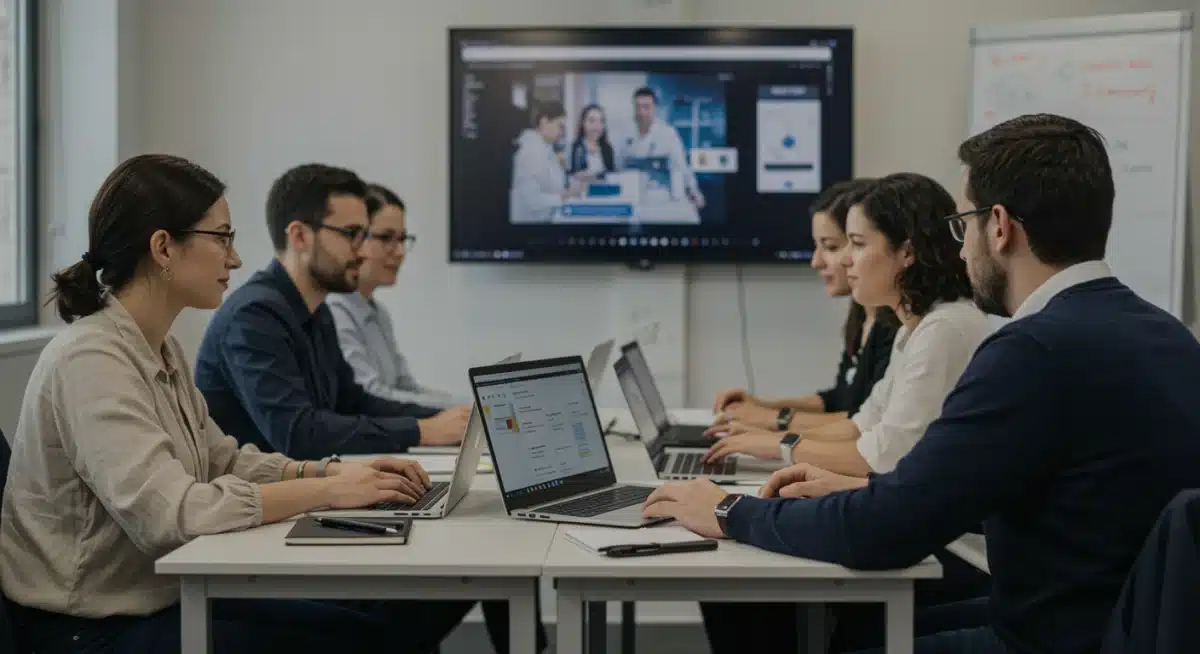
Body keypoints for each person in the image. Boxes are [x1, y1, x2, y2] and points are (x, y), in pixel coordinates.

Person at [642, 114, 1200, 654]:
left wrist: (727, 512)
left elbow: (884, 534)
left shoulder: (1032, 350)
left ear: (1000, 226)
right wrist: (865, 491)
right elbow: (1074, 498)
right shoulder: (1166, 336)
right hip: (1110, 624)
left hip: (1051, 637)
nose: (959, 248)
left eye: (964, 225)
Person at [0, 154, 477, 654]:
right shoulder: (91, 359)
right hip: (89, 631)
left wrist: (327, 474)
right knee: (359, 640)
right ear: (163, 247)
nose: (235, 259)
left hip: (159, 600)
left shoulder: (158, 347)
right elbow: (175, 515)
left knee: (368, 632)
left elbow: (223, 460)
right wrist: (331, 492)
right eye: (222, 238)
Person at [703, 172, 992, 479]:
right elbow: (862, 426)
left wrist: (777, 442)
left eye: (856, 244)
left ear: (907, 252)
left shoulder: (942, 330)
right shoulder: (914, 329)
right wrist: (766, 438)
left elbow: (883, 457)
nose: (844, 260)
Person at [195, 164, 469, 461]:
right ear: (299, 236)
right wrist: (422, 431)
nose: (362, 252)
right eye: (351, 234)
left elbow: (354, 401)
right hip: (264, 499)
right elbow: (297, 433)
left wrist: (449, 419)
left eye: (364, 236)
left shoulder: (317, 311)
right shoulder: (254, 316)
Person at [709, 178, 900, 434]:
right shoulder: (861, 313)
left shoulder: (896, 324)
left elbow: (862, 424)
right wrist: (761, 405)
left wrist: (772, 422)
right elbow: (840, 400)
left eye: (831, 246)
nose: (816, 262)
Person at [327, 184, 466, 409]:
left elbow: (405, 387)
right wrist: (456, 412)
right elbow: (369, 394)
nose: (399, 251)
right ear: (356, 238)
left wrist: (467, 407)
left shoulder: (378, 313)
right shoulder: (334, 310)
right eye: (385, 238)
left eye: (402, 239)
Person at [618, 86, 704, 209]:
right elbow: (619, 167)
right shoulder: (625, 133)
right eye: (638, 107)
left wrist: (694, 191)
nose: (641, 112)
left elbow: (681, 166)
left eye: (646, 107)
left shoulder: (668, 133)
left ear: (654, 108)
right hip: (632, 196)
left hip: (661, 196)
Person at [509, 100, 582, 223]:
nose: (562, 132)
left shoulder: (545, 148)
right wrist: (565, 196)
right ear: (544, 121)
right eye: (560, 126)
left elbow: (551, 185)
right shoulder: (531, 152)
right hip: (531, 224)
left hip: (546, 218)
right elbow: (532, 201)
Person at [567, 104, 616, 180]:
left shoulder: (607, 149)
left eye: (601, 121)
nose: (597, 126)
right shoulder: (574, 148)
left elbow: (612, 175)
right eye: (591, 121)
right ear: (583, 123)